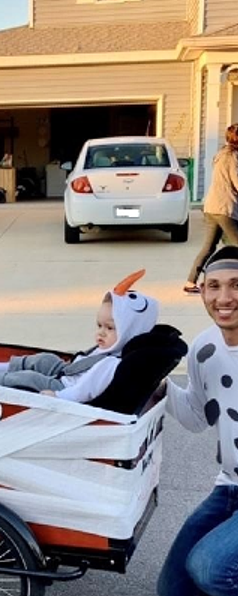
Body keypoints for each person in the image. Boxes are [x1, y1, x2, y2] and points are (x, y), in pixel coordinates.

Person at [159, 244, 238, 596]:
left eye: (236, 285)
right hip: (230, 486)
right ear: (202, 291)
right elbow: (195, 417)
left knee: (211, 569)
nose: (224, 298)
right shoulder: (205, 348)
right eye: (214, 286)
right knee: (174, 587)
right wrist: (158, 385)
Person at [0, 270, 159, 404]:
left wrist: (60, 397)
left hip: (62, 388)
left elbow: (84, 391)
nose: (101, 332)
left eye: (110, 328)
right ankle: (4, 367)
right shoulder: (108, 348)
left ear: (130, 332)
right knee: (45, 359)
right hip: (66, 372)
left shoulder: (111, 364)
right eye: (99, 325)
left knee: (30, 378)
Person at [183, 123, 238, 295]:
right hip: (225, 207)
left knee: (208, 247)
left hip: (212, 206)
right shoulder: (233, 157)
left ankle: (190, 282)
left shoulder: (221, 154)